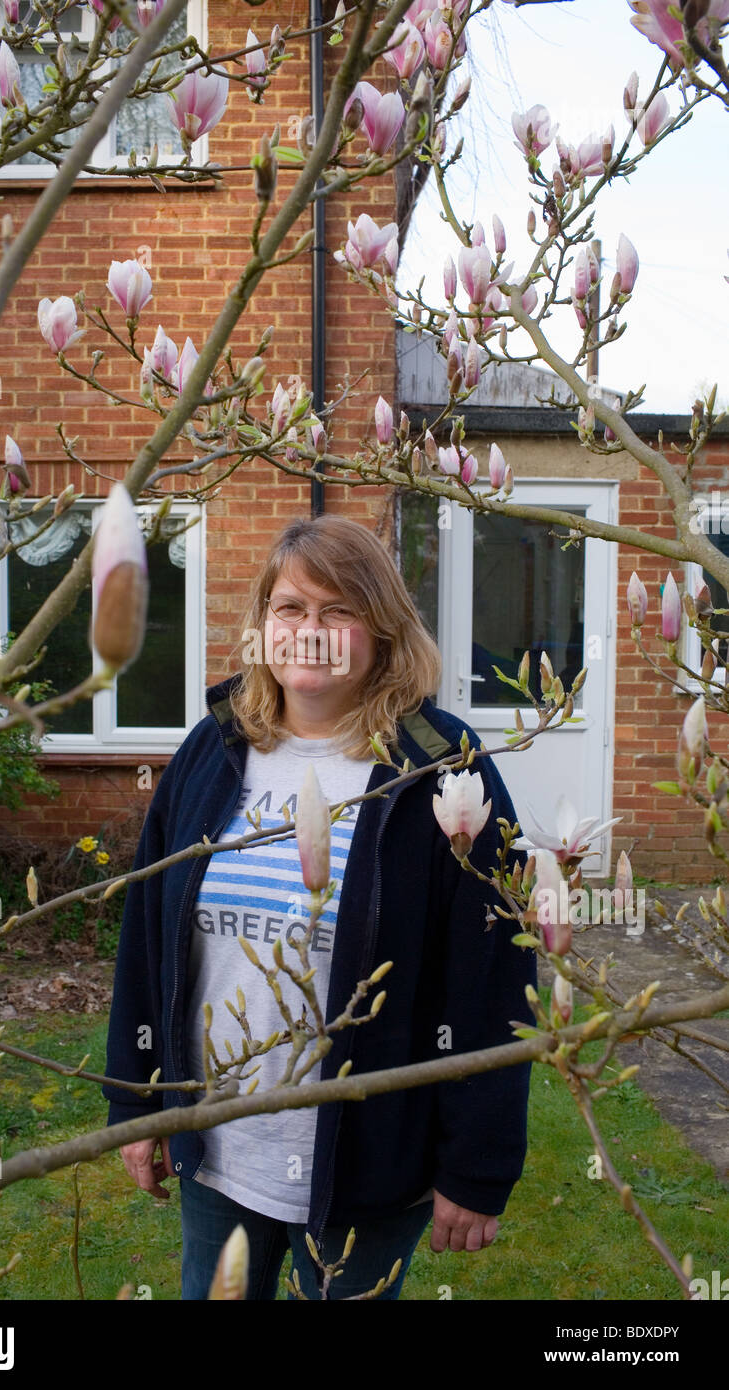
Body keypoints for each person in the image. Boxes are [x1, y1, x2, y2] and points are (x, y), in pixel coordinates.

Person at [103, 513, 536, 1300]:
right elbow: (147, 935)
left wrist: (478, 1163)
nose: (311, 631)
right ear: (264, 626)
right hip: (218, 1142)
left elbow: (493, 976)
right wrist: (134, 1097)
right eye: (291, 609)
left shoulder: (440, 768)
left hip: (368, 1154)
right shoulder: (214, 747)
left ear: (382, 629)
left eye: (339, 611)